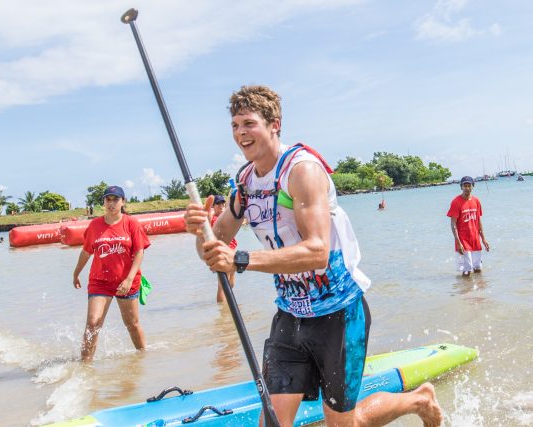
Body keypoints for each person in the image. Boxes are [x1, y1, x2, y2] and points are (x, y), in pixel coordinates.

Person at [184, 85, 442, 427]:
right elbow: (214, 249)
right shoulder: (245, 184)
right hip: (290, 315)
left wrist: (242, 260)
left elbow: (317, 251)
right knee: (272, 422)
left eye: (249, 123)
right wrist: (199, 231)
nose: (241, 134)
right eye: (234, 125)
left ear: (275, 124)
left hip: (338, 313)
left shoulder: (301, 171)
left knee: (342, 423)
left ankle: (418, 399)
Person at [72, 185, 150, 362]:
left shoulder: (131, 223)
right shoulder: (95, 225)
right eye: (108, 199)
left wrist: (129, 279)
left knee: (132, 324)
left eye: (116, 199)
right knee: (93, 323)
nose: (111, 203)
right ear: (104, 202)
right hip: (100, 281)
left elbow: (139, 251)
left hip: (127, 281)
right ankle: (85, 365)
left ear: (123, 202)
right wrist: (76, 272)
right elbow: (86, 252)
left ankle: (143, 360)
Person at [447, 176, 489, 277]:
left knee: (478, 268)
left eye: (469, 185)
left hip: (475, 240)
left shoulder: (476, 201)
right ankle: (465, 291)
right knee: (467, 270)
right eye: (464, 186)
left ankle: (478, 291)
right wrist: (458, 242)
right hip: (463, 241)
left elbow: (478, 221)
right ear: (461, 187)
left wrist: (483, 239)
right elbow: (453, 224)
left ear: (472, 186)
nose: (467, 188)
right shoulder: (456, 202)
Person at [211, 195, 238, 303]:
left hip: (231, 250)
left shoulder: (224, 217)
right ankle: (223, 312)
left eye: (222, 203)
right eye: (218, 203)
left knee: (231, 281)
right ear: (213, 206)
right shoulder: (214, 219)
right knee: (222, 285)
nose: (221, 205)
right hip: (223, 253)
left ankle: (228, 305)